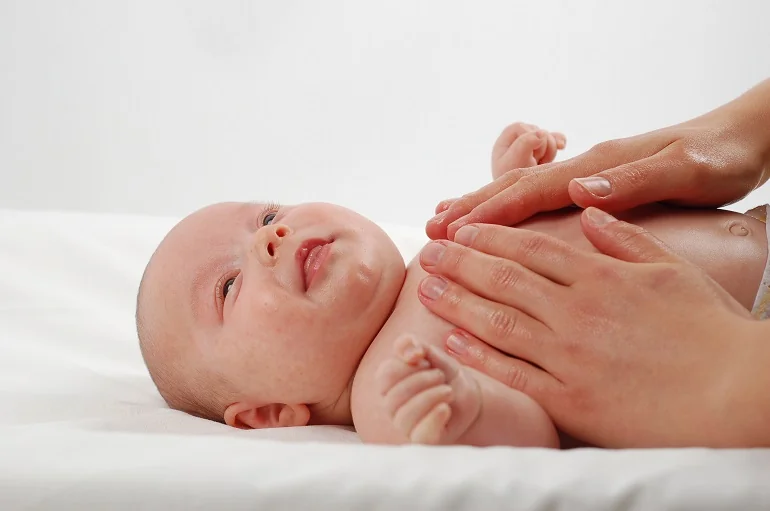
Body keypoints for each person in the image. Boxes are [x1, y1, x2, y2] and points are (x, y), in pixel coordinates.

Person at [136, 122, 768, 448]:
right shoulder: (392, 387)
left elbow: (541, 242)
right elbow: (525, 437)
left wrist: (517, 184)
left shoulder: (438, 257)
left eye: (269, 216)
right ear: (272, 413)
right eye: (227, 287)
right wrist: (465, 409)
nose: (269, 239)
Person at [420, 79, 770, 447]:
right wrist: (465, 408)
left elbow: (535, 257)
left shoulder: (448, 242)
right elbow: (521, 423)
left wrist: (513, 182)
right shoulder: (391, 369)